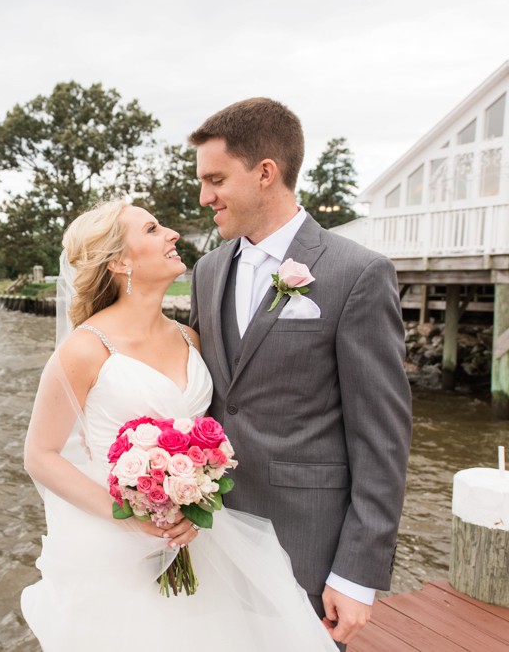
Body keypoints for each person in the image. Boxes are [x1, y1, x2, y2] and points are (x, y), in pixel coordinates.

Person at [21, 200, 336, 651]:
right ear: (119, 261)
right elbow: (40, 455)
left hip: (198, 534)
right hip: (118, 545)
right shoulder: (85, 349)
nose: (171, 233)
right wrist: (129, 518)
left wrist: (191, 500)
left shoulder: (190, 337)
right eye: (152, 229)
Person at [187, 98, 413, 649]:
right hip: (211, 534)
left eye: (215, 179)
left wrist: (357, 571)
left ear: (266, 173)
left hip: (307, 543)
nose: (204, 197)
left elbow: (382, 437)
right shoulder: (208, 271)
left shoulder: (357, 274)